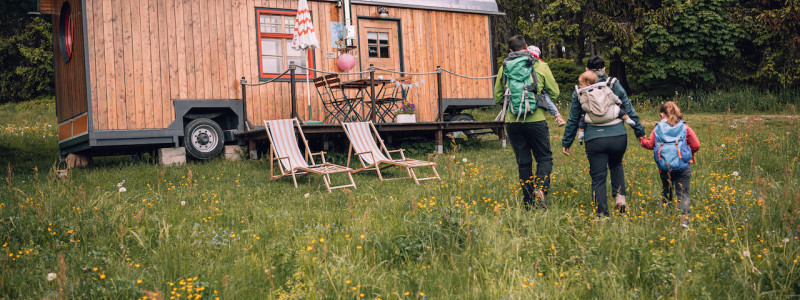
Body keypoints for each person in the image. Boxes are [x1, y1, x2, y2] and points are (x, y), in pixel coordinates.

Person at [561, 56, 645, 217]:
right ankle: (620, 198)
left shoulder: (580, 90)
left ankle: (601, 213)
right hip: (618, 136)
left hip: (594, 138)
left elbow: (573, 118)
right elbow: (627, 106)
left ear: (586, 70)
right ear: (604, 69)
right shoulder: (613, 84)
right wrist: (639, 131)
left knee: (598, 176)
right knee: (616, 165)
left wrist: (567, 141)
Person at [494, 35, 560, 209]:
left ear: (510, 51)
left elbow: (497, 96)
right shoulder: (540, 65)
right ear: (526, 47)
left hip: (512, 121)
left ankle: (528, 203)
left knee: (523, 162)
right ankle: (541, 189)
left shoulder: (504, 68)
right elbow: (554, 93)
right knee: (544, 157)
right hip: (536, 119)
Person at [639, 101, 700, 228]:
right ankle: (684, 222)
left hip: (664, 166)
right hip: (683, 165)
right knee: (683, 194)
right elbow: (696, 145)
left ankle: (665, 215)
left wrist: (641, 140)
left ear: (662, 114)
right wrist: (687, 154)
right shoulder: (684, 127)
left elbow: (650, 145)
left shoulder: (658, 128)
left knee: (667, 190)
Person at [575, 71, 636, 143]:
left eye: (581, 84)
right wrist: (618, 101)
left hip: (593, 116)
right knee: (618, 110)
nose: (579, 86)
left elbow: (584, 105)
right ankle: (628, 119)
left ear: (588, 84)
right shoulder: (603, 87)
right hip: (608, 111)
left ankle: (581, 134)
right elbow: (611, 96)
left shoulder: (583, 93)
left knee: (583, 119)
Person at [527, 46, 566, 126]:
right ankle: (557, 115)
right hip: (539, 93)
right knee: (546, 97)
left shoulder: (519, 65)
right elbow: (551, 86)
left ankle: (557, 115)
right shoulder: (541, 65)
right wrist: (554, 96)